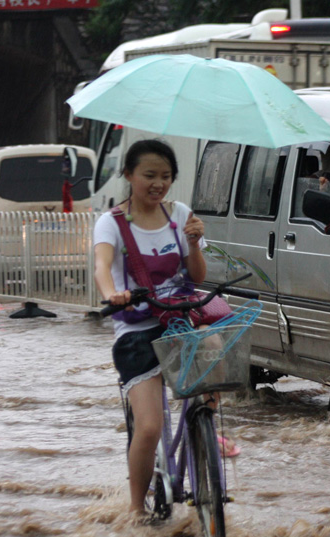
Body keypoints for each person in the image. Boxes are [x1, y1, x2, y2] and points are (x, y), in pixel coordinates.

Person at [93, 139, 233, 517]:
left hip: (181, 318)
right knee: (150, 427)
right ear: (129, 175)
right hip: (136, 330)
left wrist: (194, 243)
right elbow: (102, 267)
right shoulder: (112, 223)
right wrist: (114, 294)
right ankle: (137, 510)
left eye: (166, 176)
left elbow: (198, 275)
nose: (158, 184)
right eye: (149, 175)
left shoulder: (180, 214)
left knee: (215, 347)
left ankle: (204, 428)